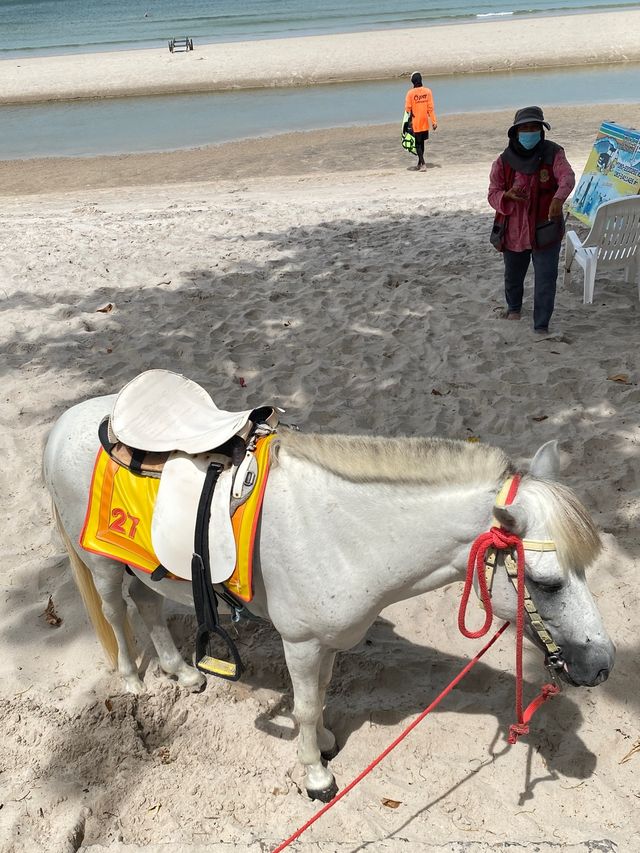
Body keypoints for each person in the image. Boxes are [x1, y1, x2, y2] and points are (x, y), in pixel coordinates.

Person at [488, 106, 575, 334]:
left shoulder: (554, 154)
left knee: (546, 279)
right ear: (516, 132)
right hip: (514, 229)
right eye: (524, 128)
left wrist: (558, 199)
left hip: (545, 227)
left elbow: (567, 176)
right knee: (513, 274)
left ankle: (541, 325)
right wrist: (505, 196)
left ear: (541, 130)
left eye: (534, 127)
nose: (529, 132)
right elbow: (492, 193)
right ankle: (514, 308)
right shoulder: (503, 161)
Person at [404, 72, 437, 172]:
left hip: (416, 122)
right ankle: (419, 163)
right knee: (421, 143)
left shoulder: (410, 93)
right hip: (424, 122)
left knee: (417, 145)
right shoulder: (428, 91)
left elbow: (407, 108)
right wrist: (434, 121)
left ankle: (423, 164)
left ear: (413, 81)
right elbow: (430, 108)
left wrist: (407, 122)